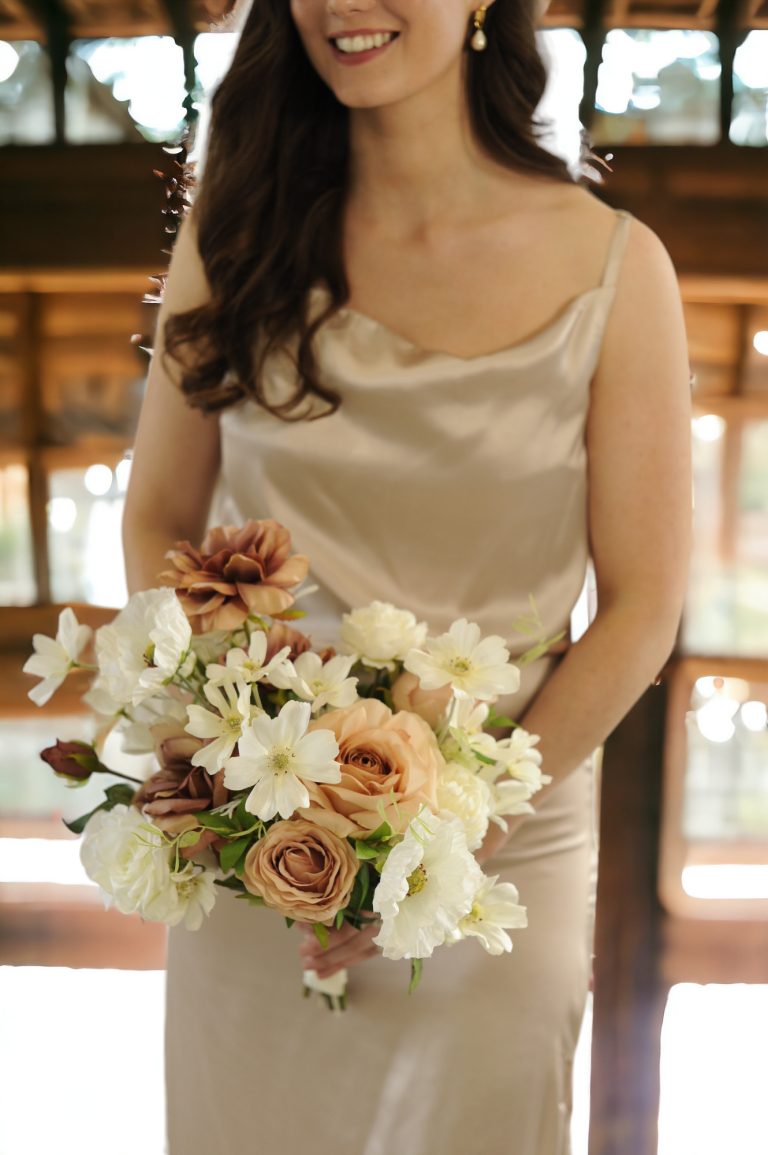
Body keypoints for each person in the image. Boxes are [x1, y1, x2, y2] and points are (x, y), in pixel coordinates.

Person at [122, 1, 692, 1152]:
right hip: (259, 831)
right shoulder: (235, 231)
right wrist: (215, 733)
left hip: (500, 847)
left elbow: (641, 610)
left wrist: (445, 842)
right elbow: (159, 518)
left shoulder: (620, 270)